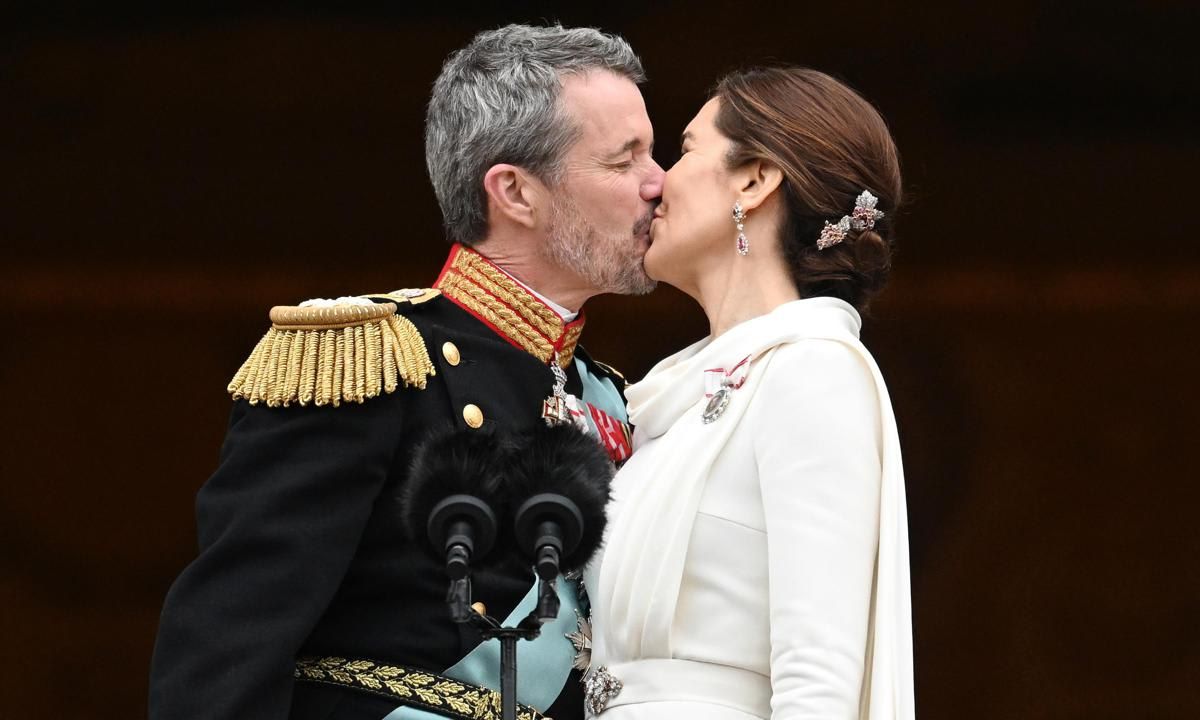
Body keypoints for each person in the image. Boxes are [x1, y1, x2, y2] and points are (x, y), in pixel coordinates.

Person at [149, 23, 664, 720]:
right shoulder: (368, 358)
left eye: (653, 154)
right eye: (622, 161)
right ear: (515, 192)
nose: (658, 184)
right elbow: (229, 642)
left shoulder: (609, 395)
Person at [582, 67, 914, 719]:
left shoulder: (811, 372)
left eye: (684, 150)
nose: (655, 182)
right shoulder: (668, 407)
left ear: (755, 179)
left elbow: (818, 685)